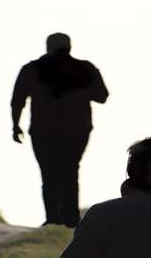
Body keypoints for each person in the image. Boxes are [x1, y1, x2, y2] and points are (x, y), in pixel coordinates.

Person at [12, 32, 109, 226]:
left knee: (48, 174)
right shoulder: (85, 69)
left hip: (43, 129)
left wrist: (15, 125)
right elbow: (102, 96)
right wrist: (78, 91)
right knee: (70, 170)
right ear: (69, 47)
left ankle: (53, 218)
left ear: (48, 46)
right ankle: (71, 218)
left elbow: (18, 100)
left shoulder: (32, 69)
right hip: (77, 128)